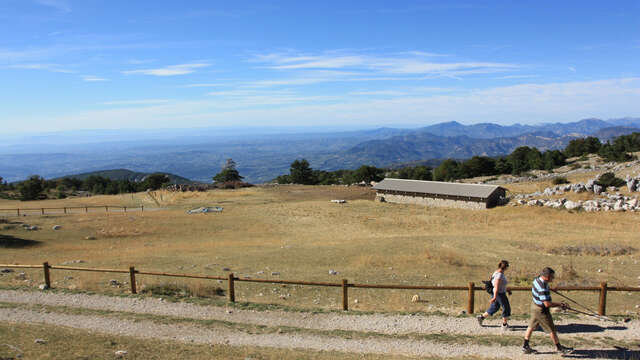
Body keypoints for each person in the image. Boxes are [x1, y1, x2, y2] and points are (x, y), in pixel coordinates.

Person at [522, 267, 573, 354]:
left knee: (531, 326)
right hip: (541, 310)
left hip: (534, 306)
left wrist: (549, 289)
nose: (553, 279)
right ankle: (559, 348)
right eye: (552, 277)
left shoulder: (537, 279)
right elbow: (547, 304)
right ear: (547, 276)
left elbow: (542, 291)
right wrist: (560, 305)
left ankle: (525, 346)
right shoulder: (542, 287)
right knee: (551, 329)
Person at [476, 260, 512, 330]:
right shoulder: (499, 275)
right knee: (506, 308)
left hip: (498, 293)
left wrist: (507, 290)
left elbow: (501, 285)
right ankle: (504, 325)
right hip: (500, 294)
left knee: (495, 307)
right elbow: (496, 286)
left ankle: (481, 317)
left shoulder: (497, 272)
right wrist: (495, 296)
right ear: (506, 267)